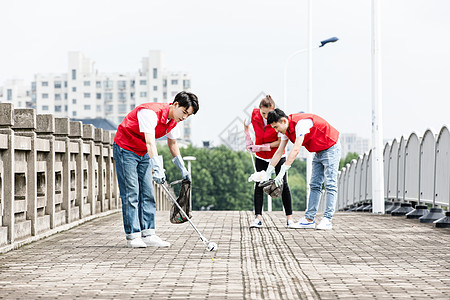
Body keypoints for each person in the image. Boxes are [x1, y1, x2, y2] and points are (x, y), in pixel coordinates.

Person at [113, 91, 199, 248]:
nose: (184, 117)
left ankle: (148, 234)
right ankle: (133, 236)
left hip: (142, 151)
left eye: (188, 115)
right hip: (125, 148)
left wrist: (182, 168)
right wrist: (158, 168)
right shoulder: (150, 113)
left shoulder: (173, 121)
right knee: (131, 192)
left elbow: (172, 144)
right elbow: (150, 142)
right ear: (175, 104)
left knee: (147, 192)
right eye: (184, 112)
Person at [265, 108, 341, 230]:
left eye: (276, 127)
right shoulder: (285, 130)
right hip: (318, 150)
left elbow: (296, 149)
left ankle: (327, 219)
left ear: (283, 121)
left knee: (330, 184)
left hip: (330, 147)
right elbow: (279, 151)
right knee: (314, 185)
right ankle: (309, 219)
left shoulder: (301, 124)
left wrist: (282, 171)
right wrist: (269, 170)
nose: (276, 130)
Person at [244, 95, 295, 228]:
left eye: (269, 113)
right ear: (259, 109)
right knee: (259, 185)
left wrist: (262, 146)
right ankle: (258, 218)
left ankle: (289, 219)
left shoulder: (277, 120)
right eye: (263, 113)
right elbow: (246, 125)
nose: (266, 116)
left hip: (277, 155)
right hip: (260, 156)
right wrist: (248, 137)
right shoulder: (254, 114)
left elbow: (279, 143)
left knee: (283, 184)